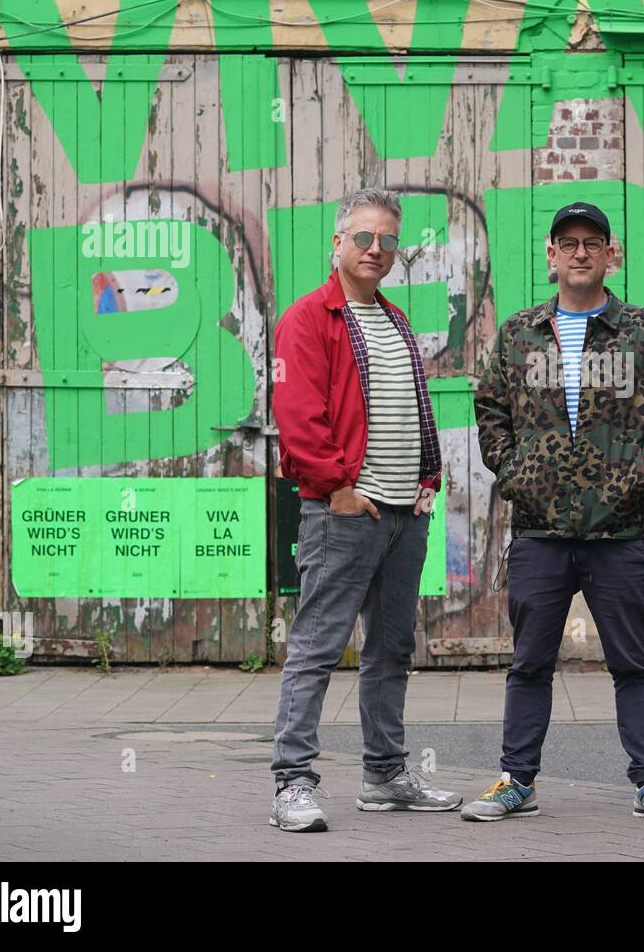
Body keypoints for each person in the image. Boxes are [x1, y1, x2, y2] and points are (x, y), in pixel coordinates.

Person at [462, 201, 644, 822]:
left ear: (610, 253)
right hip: (541, 530)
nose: (581, 252)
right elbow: (491, 412)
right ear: (551, 254)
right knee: (530, 662)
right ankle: (517, 780)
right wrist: (516, 477)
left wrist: (639, 477)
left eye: (593, 242)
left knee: (632, 661)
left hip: (619, 530)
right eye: (568, 242)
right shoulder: (518, 334)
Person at [268, 187, 460, 831]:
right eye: (363, 238)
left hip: (407, 515)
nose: (376, 250)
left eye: (387, 241)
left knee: (391, 649)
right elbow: (297, 417)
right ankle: (292, 783)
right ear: (338, 242)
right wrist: (337, 487)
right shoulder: (307, 320)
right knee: (318, 647)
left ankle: (383, 775)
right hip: (345, 513)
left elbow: (409, 410)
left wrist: (427, 478)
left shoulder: (394, 317)